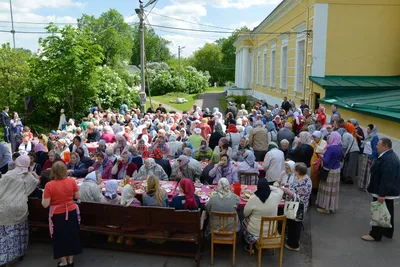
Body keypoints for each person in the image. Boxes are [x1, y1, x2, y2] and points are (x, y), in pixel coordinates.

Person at [0, 155, 40, 266]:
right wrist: (33, 173)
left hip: (3, 207)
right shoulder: (27, 176)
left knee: (4, 234)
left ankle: (3, 258)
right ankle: (19, 253)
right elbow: (37, 182)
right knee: (19, 232)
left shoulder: (6, 175)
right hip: (19, 207)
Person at [42, 161, 82, 266]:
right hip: (71, 211)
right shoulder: (71, 181)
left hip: (58, 214)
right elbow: (77, 196)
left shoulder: (49, 185)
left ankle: (63, 262)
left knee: (59, 238)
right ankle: (70, 261)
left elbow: (45, 204)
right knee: (72, 235)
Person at [362, 138, 400, 242]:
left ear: (385, 147)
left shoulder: (389, 159)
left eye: (378, 145)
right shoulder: (388, 156)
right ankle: (387, 232)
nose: (376, 146)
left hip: (383, 192)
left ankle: (375, 234)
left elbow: (387, 179)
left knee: (378, 211)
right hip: (385, 191)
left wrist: (382, 194)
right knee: (387, 210)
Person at [242, 178, 284, 250]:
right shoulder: (276, 197)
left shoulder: (253, 198)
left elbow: (245, 214)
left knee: (244, 221)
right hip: (271, 231)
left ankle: (250, 244)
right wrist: (268, 186)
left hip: (254, 231)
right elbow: (280, 190)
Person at [280, 163, 312, 251]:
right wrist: (288, 186)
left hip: (298, 207)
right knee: (292, 224)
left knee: (295, 225)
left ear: (298, 171)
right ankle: (291, 240)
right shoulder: (304, 178)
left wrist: (287, 190)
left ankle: (293, 245)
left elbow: (298, 197)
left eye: (295, 170)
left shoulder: (303, 183)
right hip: (297, 205)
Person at [315, 132, 343, 214]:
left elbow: (326, 160)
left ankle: (325, 207)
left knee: (326, 189)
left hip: (328, 170)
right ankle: (332, 206)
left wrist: (321, 156)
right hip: (336, 169)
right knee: (333, 190)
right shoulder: (339, 147)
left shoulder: (331, 148)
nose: (329, 138)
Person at [358, 124, 379, 191]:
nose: (367, 130)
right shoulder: (368, 137)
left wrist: (371, 158)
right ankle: (362, 185)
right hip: (365, 155)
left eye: (369, 129)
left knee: (368, 172)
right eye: (367, 129)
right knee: (364, 172)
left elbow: (375, 149)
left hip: (370, 156)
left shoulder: (375, 137)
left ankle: (368, 187)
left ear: (373, 130)